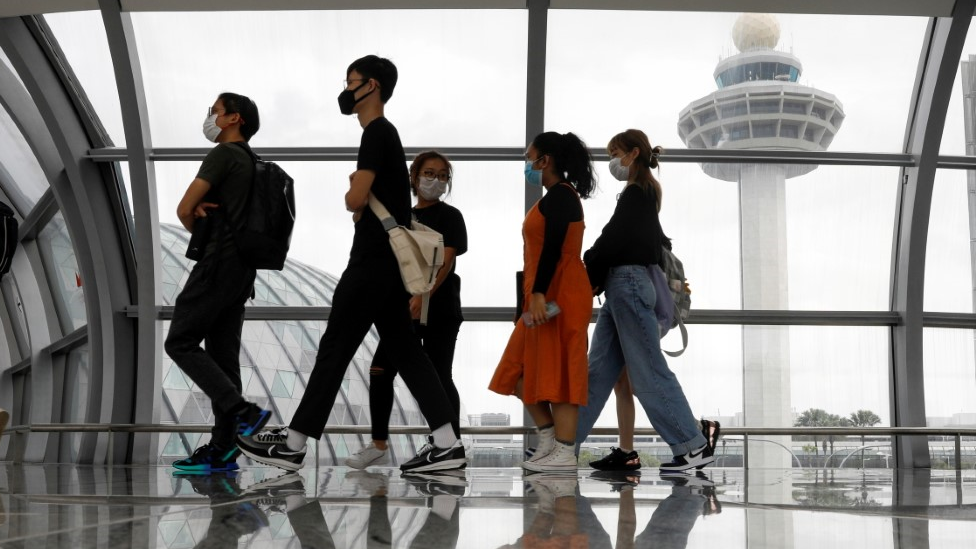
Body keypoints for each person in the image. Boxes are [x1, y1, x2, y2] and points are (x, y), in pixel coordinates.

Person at [237, 55, 464, 473]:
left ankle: (293, 443)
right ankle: (448, 443)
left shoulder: (377, 133)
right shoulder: (384, 136)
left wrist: (352, 194)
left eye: (351, 81)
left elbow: (355, 200)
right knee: (407, 353)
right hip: (386, 269)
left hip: (371, 264)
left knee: (336, 348)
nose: (345, 89)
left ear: (371, 86)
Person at [575, 129, 720, 472]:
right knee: (597, 373)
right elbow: (645, 241)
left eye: (615, 153)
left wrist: (589, 264)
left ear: (633, 154)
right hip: (620, 288)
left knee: (648, 371)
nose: (612, 160)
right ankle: (565, 445)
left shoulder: (637, 195)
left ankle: (693, 444)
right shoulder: (643, 195)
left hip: (628, 284)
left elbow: (613, 240)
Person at [165, 92, 271, 473]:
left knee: (180, 340)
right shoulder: (255, 164)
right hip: (244, 271)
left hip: (218, 263)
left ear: (233, 119)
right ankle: (224, 450)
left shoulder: (224, 154)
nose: (210, 117)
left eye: (214, 111)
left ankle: (243, 412)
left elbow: (182, 209)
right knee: (225, 358)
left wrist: (198, 221)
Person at [347, 151, 468, 470]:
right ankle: (378, 444)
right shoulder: (401, 215)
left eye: (443, 175)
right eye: (430, 173)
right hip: (402, 307)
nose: (436, 180)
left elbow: (447, 258)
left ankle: (448, 446)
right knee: (380, 370)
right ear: (414, 177)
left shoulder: (450, 216)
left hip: (439, 306)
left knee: (441, 374)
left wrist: (424, 294)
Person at [489, 131, 595, 473]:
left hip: (559, 294)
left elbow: (553, 248)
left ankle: (564, 452)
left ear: (544, 160)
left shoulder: (562, 196)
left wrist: (538, 294)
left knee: (563, 371)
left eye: (529, 156)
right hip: (543, 294)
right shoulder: (552, 197)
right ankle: (549, 437)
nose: (527, 163)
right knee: (515, 371)